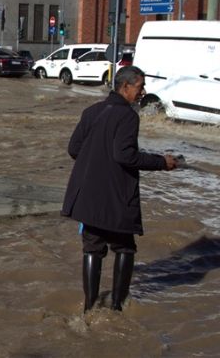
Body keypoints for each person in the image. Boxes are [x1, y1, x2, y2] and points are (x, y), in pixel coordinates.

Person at [61, 65, 178, 313]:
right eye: (140, 87)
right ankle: (117, 306)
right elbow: (125, 155)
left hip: (86, 196)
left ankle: (90, 307)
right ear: (125, 87)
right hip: (115, 198)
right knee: (125, 247)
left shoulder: (92, 111)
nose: (143, 92)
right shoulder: (128, 116)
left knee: (92, 247)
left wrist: (96, 161)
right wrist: (161, 162)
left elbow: (74, 149)